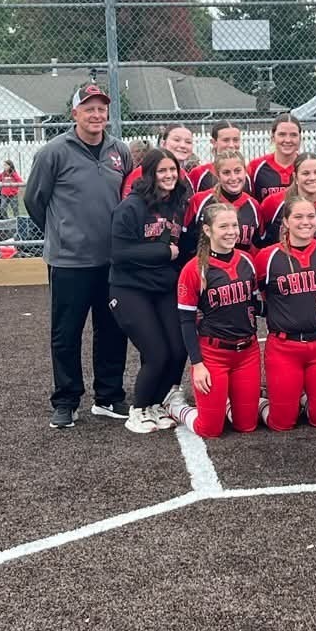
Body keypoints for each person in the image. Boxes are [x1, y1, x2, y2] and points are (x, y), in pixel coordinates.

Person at [24, 82, 131, 429]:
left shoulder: (120, 151)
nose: (96, 114)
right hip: (69, 262)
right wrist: (63, 232)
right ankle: (67, 400)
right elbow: (34, 201)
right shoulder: (53, 152)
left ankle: (109, 396)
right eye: (89, 108)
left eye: (101, 108)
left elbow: (128, 199)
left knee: (113, 330)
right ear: (75, 113)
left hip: (111, 261)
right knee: (66, 333)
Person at [109, 149, 190, 433]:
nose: (169, 176)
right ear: (149, 174)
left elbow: (182, 249)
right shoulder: (130, 207)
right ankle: (138, 409)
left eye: (173, 170)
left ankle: (156, 403)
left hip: (163, 287)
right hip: (130, 288)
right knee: (156, 353)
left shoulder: (178, 205)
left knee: (178, 349)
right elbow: (118, 253)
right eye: (162, 171)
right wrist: (161, 252)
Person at [165, 202, 261, 438]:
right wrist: (197, 364)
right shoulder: (194, 269)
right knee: (209, 430)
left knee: (246, 425)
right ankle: (177, 408)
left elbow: (256, 304)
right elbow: (186, 322)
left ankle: (225, 402)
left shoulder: (247, 260)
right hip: (213, 355)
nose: (231, 231)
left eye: (234, 225)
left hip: (247, 352)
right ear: (207, 230)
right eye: (223, 226)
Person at [255, 196, 316, 430]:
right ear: (285, 222)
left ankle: (303, 396)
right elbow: (252, 293)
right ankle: (261, 401)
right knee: (281, 423)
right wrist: (271, 312)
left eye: (311, 216)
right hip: (284, 346)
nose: (306, 222)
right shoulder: (268, 257)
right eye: (298, 217)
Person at [182, 150, 261, 257]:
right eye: (226, 172)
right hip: (203, 268)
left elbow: (257, 246)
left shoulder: (254, 206)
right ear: (217, 174)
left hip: (240, 270)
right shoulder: (199, 201)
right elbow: (185, 243)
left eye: (237, 171)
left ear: (245, 171)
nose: (233, 178)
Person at [258, 153, 316, 247]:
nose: (312, 178)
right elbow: (261, 239)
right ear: (295, 177)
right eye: (306, 173)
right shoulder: (274, 202)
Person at [122, 124, 194, 199]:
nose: (183, 145)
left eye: (188, 142)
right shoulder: (142, 172)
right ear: (163, 143)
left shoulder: (184, 175)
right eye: (176, 140)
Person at [248, 112, 302, 201]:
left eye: (293, 135)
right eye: (282, 134)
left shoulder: (306, 166)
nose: (288, 140)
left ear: (300, 138)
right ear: (273, 137)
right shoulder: (255, 167)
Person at [188, 120, 248, 194]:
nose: (231, 145)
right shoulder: (199, 173)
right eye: (226, 140)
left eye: (235, 140)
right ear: (214, 142)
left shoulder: (246, 173)